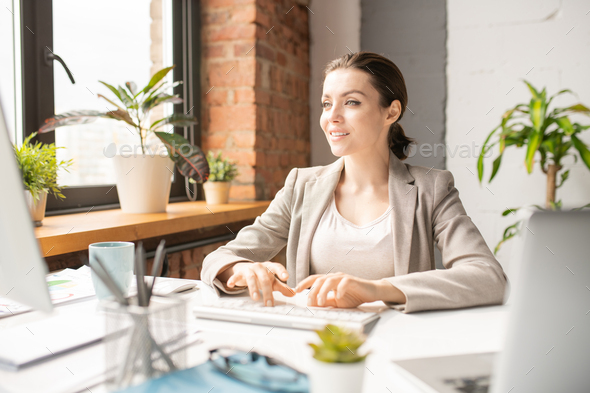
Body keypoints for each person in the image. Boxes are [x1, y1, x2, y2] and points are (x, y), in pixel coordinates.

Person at [201, 51, 507, 313]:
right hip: (314, 342)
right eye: (326, 104)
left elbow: (487, 277)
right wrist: (240, 268)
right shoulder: (301, 185)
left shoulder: (432, 188)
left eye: (351, 103)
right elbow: (220, 258)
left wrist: (375, 290)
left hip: (396, 340)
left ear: (392, 112)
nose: (332, 117)